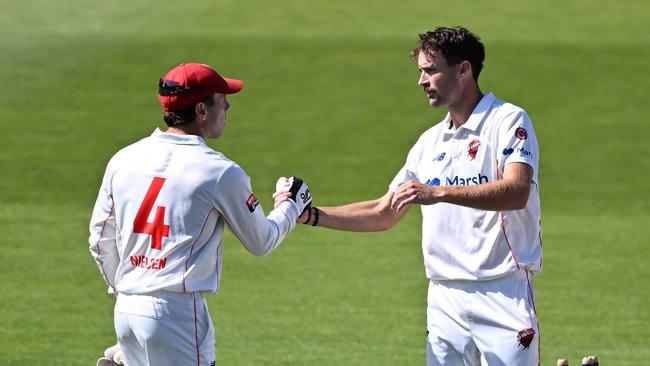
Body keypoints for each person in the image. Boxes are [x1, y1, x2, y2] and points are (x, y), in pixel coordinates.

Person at [288, 26, 542, 365]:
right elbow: (384, 210)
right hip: (444, 297)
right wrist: (312, 215)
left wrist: (439, 192)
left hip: (502, 289)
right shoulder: (429, 142)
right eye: (421, 71)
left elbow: (516, 191)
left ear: (463, 70)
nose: (422, 81)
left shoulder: (507, 121)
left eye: (431, 70)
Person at [89, 63, 312, 366]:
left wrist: (131, 294)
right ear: (201, 110)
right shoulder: (220, 172)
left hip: (126, 310)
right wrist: (290, 204)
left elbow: (101, 239)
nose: (229, 105)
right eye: (221, 99)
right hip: (177, 315)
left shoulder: (123, 159)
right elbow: (261, 240)